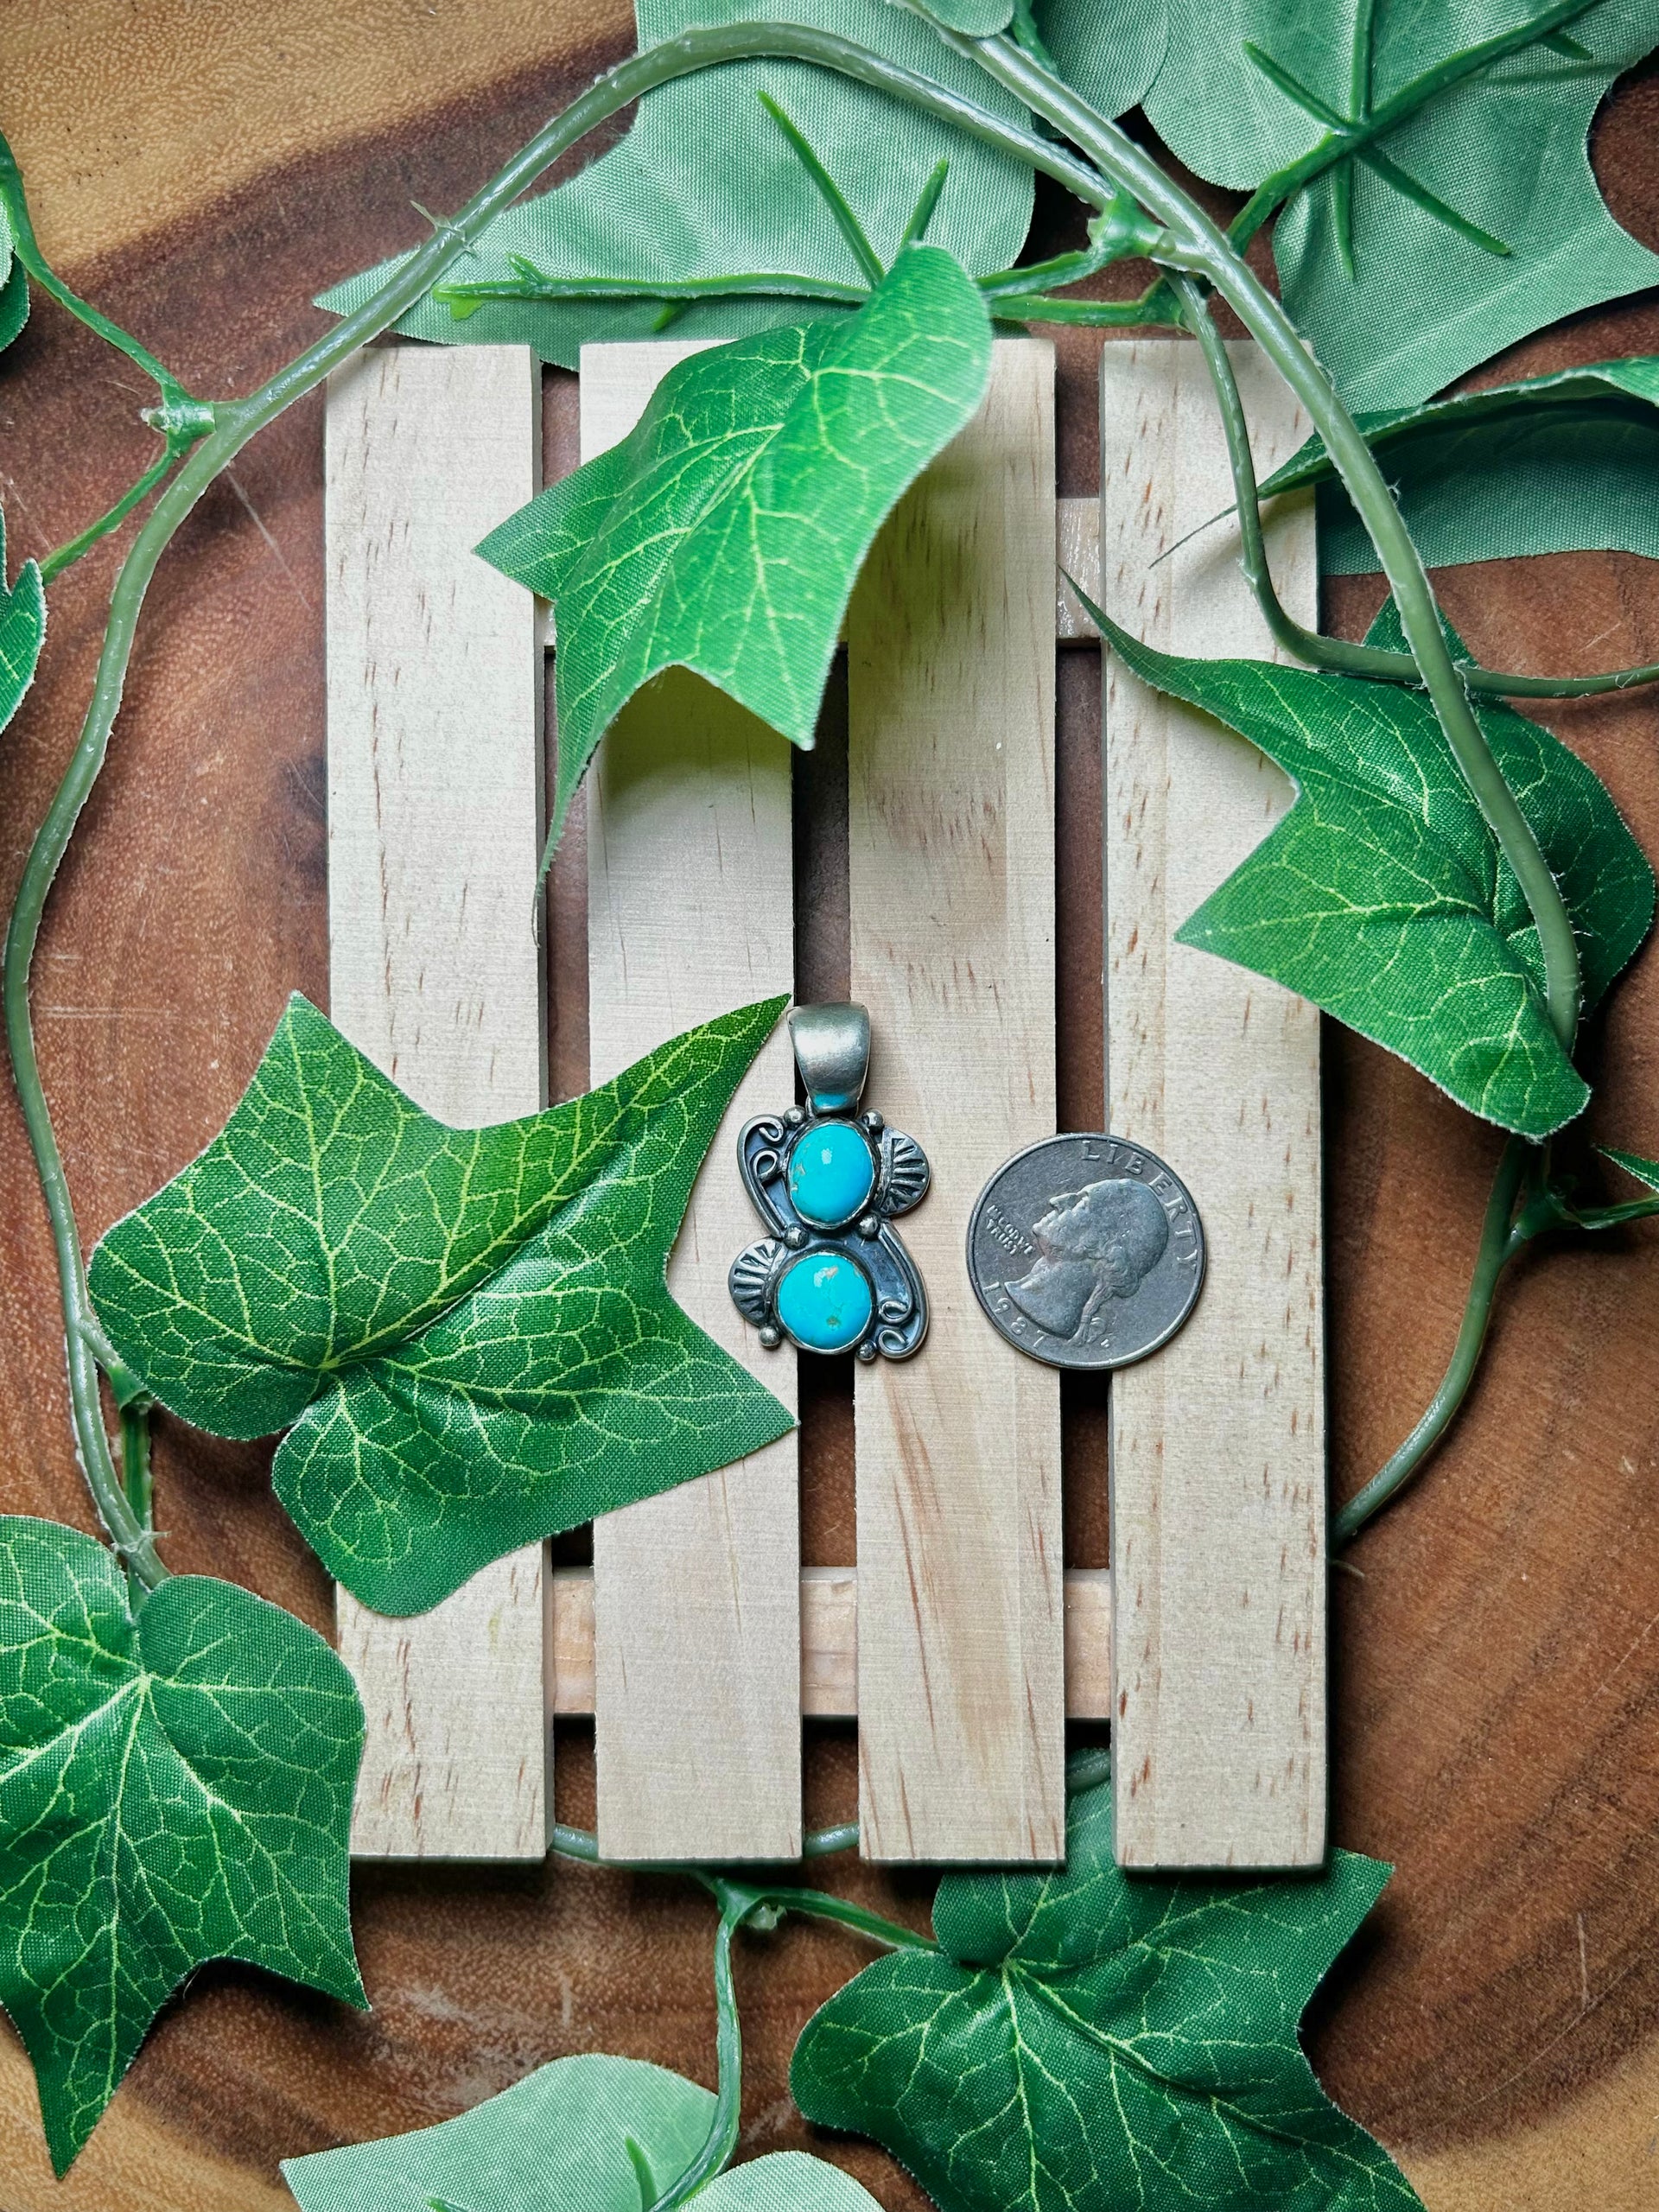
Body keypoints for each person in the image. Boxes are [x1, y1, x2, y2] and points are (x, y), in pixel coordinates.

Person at [1003, 1176, 1169, 1345]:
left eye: (1082, 1204)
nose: (1056, 1201)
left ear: (1100, 1242)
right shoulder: (1025, 1294)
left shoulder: (1047, 1315)